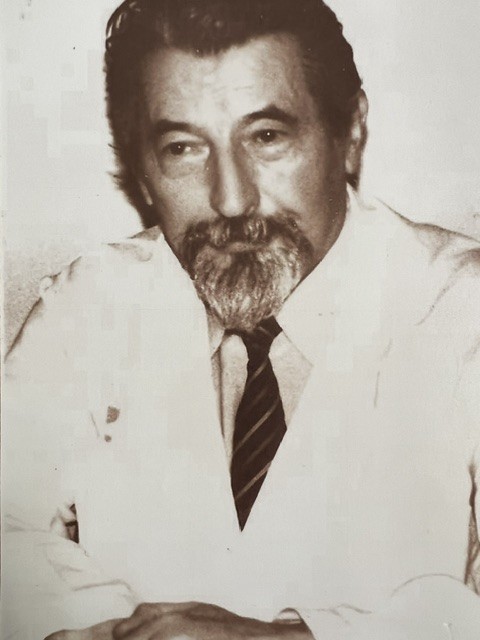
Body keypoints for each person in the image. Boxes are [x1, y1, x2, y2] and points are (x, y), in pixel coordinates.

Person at [3, 0, 480, 638]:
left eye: (267, 137)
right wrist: (120, 630)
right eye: (182, 148)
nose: (231, 199)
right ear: (140, 171)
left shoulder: (461, 309)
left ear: (350, 133)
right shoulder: (89, 305)